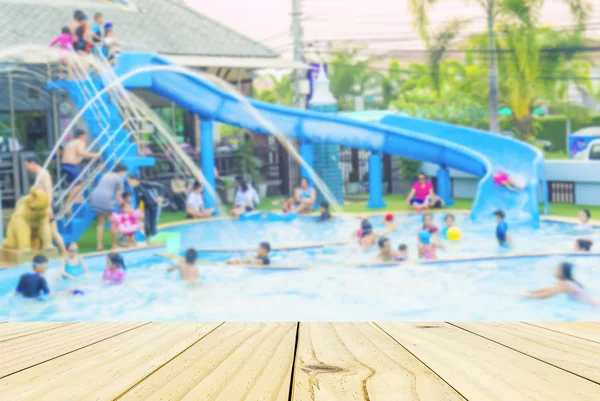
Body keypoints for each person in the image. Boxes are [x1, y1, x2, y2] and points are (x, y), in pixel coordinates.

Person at [24, 155, 66, 254]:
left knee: (52, 232)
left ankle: (64, 253)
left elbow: (49, 191)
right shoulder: (38, 174)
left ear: (33, 163)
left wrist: (48, 207)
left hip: (46, 207)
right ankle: (58, 253)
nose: (27, 168)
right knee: (46, 232)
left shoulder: (43, 174)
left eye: (27, 165)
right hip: (41, 208)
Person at [88, 164, 128, 251]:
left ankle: (99, 245)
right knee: (113, 222)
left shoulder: (106, 175)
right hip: (105, 198)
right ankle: (114, 245)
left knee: (101, 222)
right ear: (122, 171)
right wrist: (123, 207)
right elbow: (118, 197)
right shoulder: (119, 179)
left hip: (95, 196)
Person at [522, 262, 598, 306]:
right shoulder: (568, 282)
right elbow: (548, 289)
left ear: (562, 272)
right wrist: (530, 291)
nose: (555, 271)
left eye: (557, 269)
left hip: (594, 305)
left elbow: (545, 295)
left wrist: (525, 296)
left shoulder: (565, 285)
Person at [61, 129, 100, 214]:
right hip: (72, 165)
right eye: (85, 135)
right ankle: (68, 204)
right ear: (82, 136)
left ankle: (76, 200)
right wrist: (95, 155)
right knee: (80, 185)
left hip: (64, 165)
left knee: (75, 185)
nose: (86, 137)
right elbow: (81, 152)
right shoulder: (80, 142)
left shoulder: (70, 143)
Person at [126, 174, 165, 239]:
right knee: (147, 224)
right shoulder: (135, 189)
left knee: (153, 222)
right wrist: (137, 210)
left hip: (154, 205)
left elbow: (161, 187)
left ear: (135, 180)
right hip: (146, 207)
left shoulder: (145, 184)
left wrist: (160, 196)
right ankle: (148, 237)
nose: (128, 183)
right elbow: (138, 200)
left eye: (129, 181)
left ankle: (154, 235)